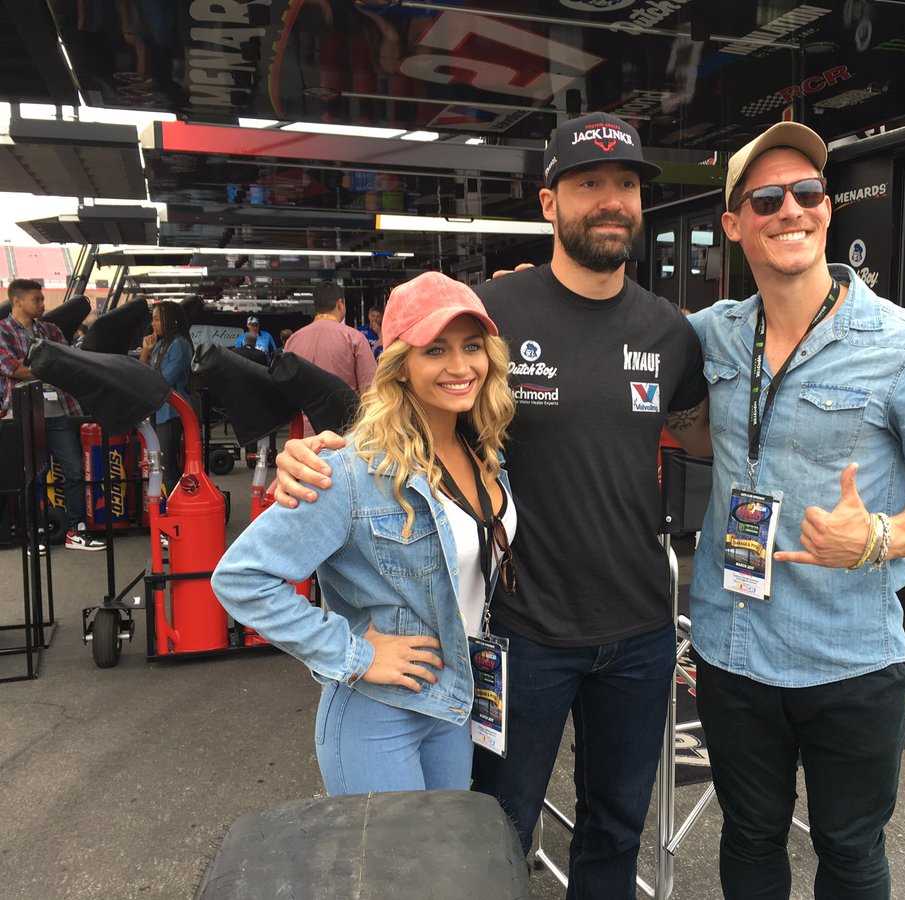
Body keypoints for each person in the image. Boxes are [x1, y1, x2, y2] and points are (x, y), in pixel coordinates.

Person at [270, 112, 711, 899]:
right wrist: (317, 450)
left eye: (625, 185)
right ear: (549, 204)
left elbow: (709, 434)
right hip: (519, 634)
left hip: (641, 633)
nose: (610, 201)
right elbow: (405, 404)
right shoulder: (489, 312)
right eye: (588, 185)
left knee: (615, 826)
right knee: (491, 825)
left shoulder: (669, 330)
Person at [682, 121, 905, 899]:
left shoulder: (904, 345)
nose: (790, 210)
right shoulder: (711, 336)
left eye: (808, 192)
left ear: (828, 210)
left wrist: (883, 537)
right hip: (731, 652)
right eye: (766, 198)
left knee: (851, 851)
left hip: (849, 659)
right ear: (735, 225)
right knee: (750, 837)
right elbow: (603, 352)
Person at [212, 272, 516, 794]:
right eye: (435, 350)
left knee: (440, 867)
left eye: (471, 346)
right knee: (384, 873)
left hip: (453, 698)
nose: (460, 366)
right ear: (400, 366)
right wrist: (357, 652)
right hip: (379, 712)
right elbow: (242, 578)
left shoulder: (486, 452)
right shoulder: (352, 472)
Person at [0, 279, 104, 550]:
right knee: (31, 475)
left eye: (42, 299)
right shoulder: (2, 332)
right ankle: (33, 535)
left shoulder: (51, 330)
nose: (42, 304)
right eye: (37, 299)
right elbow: (15, 369)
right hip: (23, 412)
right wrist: (51, 367)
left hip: (59, 412)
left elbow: (68, 362)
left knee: (74, 470)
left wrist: (47, 366)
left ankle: (76, 530)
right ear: (18, 301)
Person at [285, 282, 377, 400]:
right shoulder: (354, 338)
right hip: (346, 416)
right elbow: (369, 391)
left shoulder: (293, 340)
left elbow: (288, 389)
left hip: (305, 416)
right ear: (340, 304)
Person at [138, 302, 193, 494]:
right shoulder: (160, 344)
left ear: (171, 321)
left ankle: (175, 504)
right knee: (160, 464)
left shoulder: (179, 345)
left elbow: (164, 380)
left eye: (157, 319)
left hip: (171, 414)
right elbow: (143, 374)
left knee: (167, 465)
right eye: (152, 319)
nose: (153, 324)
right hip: (158, 411)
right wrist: (145, 351)